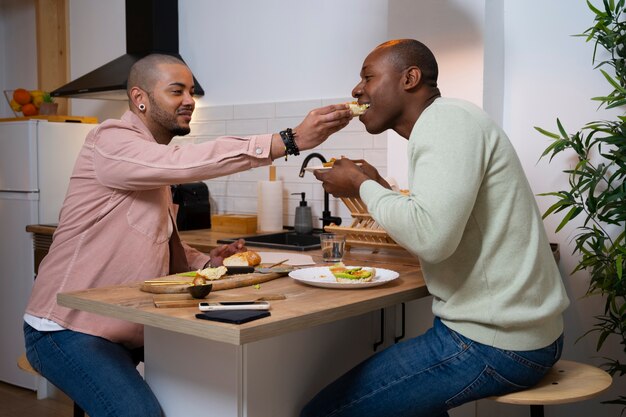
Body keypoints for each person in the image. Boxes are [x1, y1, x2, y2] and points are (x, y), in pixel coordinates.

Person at [23, 53, 352, 417]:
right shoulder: (110, 140)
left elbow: (163, 248)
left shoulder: (150, 161)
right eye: (176, 91)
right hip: (65, 329)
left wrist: (207, 262)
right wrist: (286, 140)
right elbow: (181, 164)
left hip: (132, 326)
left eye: (191, 91)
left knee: (224, 372)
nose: (190, 100)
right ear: (140, 98)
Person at [303, 39, 570, 417]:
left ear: (409, 78)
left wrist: (362, 186)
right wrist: (378, 188)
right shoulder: (449, 122)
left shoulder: (445, 122)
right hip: (518, 336)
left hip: (494, 344)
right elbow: (434, 224)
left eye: (367, 77)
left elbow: (431, 239)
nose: (356, 90)